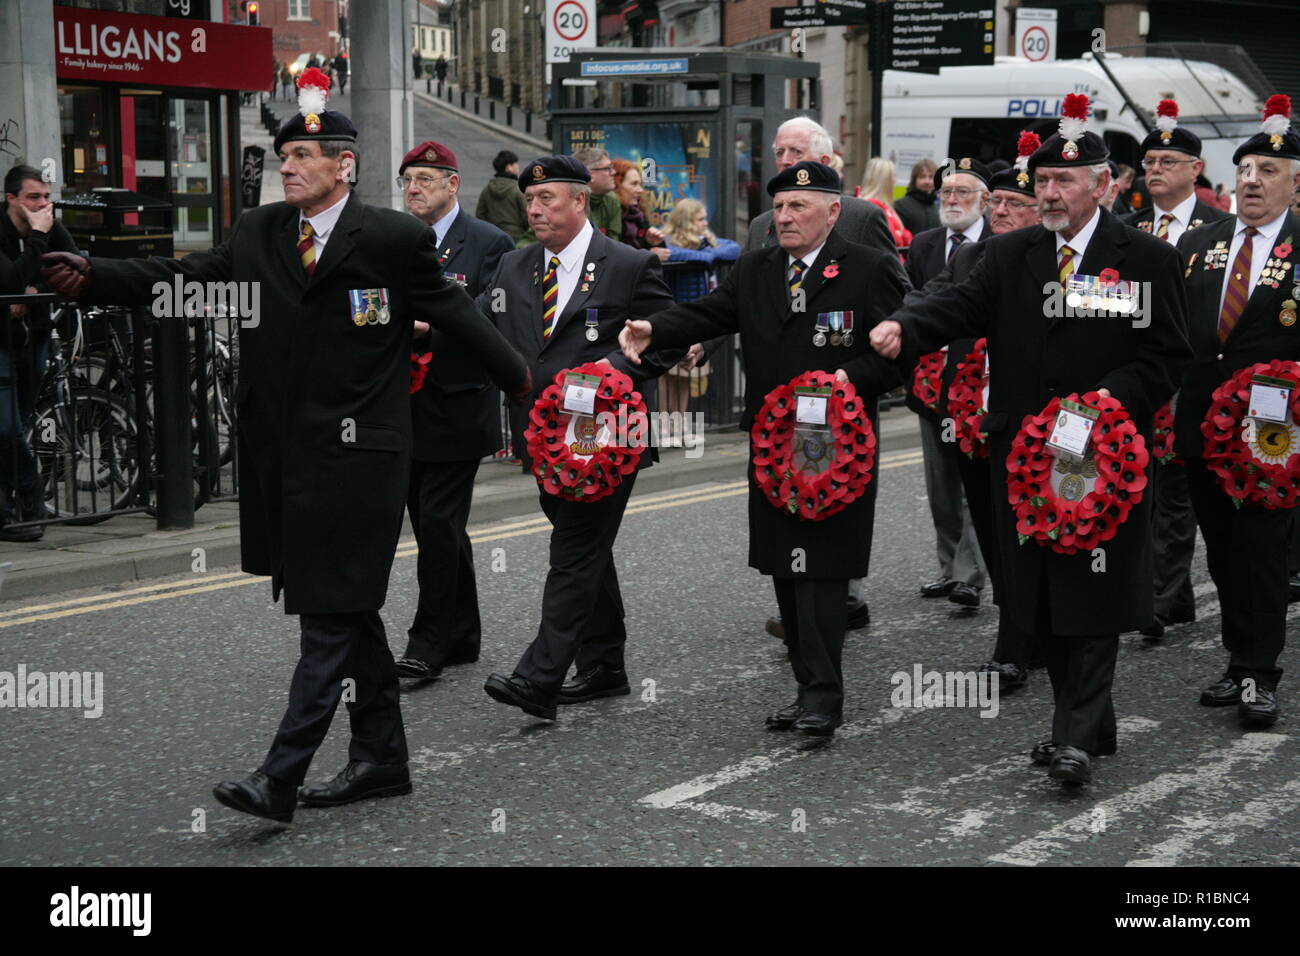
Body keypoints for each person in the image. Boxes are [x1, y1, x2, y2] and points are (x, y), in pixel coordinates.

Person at [41, 68, 531, 822]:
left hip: (362, 459)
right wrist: (98, 275)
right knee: (347, 611)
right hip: (285, 460)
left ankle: (280, 775)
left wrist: (532, 391)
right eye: (284, 159)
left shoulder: (393, 239)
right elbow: (189, 280)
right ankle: (381, 760)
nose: (290, 168)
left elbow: (464, 323)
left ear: (345, 165)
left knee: (330, 617)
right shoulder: (259, 233)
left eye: (305, 157)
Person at [870, 94, 1191, 785]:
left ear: (1103, 186)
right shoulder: (1010, 252)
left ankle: (1071, 735)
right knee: (1040, 596)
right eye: (1041, 181)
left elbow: (1167, 356)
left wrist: (1114, 399)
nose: (1049, 192)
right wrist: (907, 325)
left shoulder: (1145, 258)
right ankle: (1088, 722)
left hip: (1105, 457)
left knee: (1093, 593)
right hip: (1024, 456)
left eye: (1064, 181)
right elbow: (955, 302)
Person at [619, 161, 907, 738]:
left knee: (823, 570)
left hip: (836, 447)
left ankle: (824, 698)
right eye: (778, 208)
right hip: (775, 445)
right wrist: (658, 330)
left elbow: (901, 348)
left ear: (833, 211)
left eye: (799, 207)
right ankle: (808, 687)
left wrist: (847, 383)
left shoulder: (870, 268)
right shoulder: (755, 269)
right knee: (783, 564)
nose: (785, 217)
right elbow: (710, 314)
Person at [478, 156, 683, 721]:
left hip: (604, 438)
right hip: (543, 439)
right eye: (530, 201)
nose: (535, 210)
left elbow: (664, 340)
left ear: (579, 202)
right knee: (587, 547)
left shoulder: (628, 264)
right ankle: (605, 665)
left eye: (546, 200)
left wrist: (606, 372)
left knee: (573, 551)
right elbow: (481, 328)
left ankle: (538, 678)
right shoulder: (514, 267)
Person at [1173, 94, 1300, 728]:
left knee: (1263, 550)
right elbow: (1159, 321)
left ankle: (1261, 672)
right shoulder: (1200, 243)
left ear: (1295, 183)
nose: (1252, 181)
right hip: (1203, 423)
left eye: (1268, 171)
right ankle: (1236, 659)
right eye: (1245, 170)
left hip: (1273, 432)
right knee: (1221, 551)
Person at [744, 116, 894, 640]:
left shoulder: (863, 230)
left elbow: (896, 317)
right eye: (779, 151)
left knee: (829, 541)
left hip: (838, 418)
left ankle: (832, 624)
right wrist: (677, 338)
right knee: (784, 539)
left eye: (796, 152)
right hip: (775, 422)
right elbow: (729, 307)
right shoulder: (762, 230)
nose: (785, 161)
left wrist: (850, 379)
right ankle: (806, 635)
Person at [909, 134, 1045, 690]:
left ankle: (1040, 638)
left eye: (1016, 203)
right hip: (974, 415)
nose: (1002, 212)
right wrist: (896, 324)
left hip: (1040, 425)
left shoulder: (1056, 260)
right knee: (994, 533)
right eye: (998, 204)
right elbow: (935, 301)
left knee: (1034, 537)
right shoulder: (971, 255)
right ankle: (1017, 637)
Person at [393, 140, 515, 682]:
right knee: (434, 525)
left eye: (425, 178)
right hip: (404, 404)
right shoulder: (395, 241)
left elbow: (494, 308)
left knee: (440, 523)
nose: (414, 188)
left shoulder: (488, 242)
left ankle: (429, 642)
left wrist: (433, 327)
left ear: (452, 185)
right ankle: (463, 633)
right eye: (407, 180)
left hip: (458, 403)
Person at [1124, 99, 1231, 641]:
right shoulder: (1127, 227)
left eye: (1168, 161)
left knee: (1179, 492)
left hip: (1195, 380)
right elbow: (1107, 301)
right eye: (1149, 162)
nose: (1156, 170)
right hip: (1138, 377)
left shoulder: (1222, 230)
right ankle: (1164, 593)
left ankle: (1168, 597)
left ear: (1196, 168)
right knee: (1139, 490)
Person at [904, 157, 991, 610]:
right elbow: (916, 297)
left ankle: (971, 573)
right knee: (940, 483)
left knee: (971, 476)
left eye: (961, 193)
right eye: (946, 193)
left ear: (984, 201)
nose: (952, 200)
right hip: (930, 381)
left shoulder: (998, 243)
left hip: (978, 381)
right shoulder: (924, 244)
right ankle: (947, 566)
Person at [0, 164, 78, 543]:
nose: (43, 204)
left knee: (18, 426)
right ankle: (32, 499)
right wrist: (36, 240)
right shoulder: (34, 230)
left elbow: (75, 265)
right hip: (1, 342)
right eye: (34, 197)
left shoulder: (50, 226)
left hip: (35, 339)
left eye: (46, 197)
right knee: (6, 427)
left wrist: (33, 289)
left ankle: (6, 511)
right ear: (10, 198)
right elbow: (8, 282)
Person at [655, 197, 740, 443]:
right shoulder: (668, 240)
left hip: (697, 319)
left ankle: (679, 425)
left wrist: (706, 253)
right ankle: (663, 427)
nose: (705, 223)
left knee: (686, 374)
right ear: (687, 221)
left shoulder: (706, 242)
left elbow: (733, 248)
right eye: (700, 219)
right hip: (673, 314)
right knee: (666, 375)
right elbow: (671, 252)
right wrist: (704, 256)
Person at [859, 157, 912, 258]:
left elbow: (905, 238)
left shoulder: (884, 206)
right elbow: (895, 240)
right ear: (885, 180)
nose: (895, 181)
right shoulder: (874, 206)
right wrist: (900, 234)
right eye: (893, 176)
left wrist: (901, 234)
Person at [612, 158, 666, 251]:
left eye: (640, 184)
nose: (640, 190)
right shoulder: (610, 215)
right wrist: (648, 255)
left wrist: (652, 242)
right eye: (634, 184)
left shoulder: (638, 214)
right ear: (616, 185)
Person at [477, 150, 529, 242]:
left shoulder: (487, 190)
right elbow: (527, 216)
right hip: (517, 238)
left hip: (494, 237)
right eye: (516, 165)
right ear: (509, 167)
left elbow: (480, 215)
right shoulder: (518, 189)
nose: (518, 168)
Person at [895, 158, 941, 235]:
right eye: (922, 177)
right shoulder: (900, 206)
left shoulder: (941, 206)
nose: (927, 181)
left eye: (931, 177)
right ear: (914, 180)